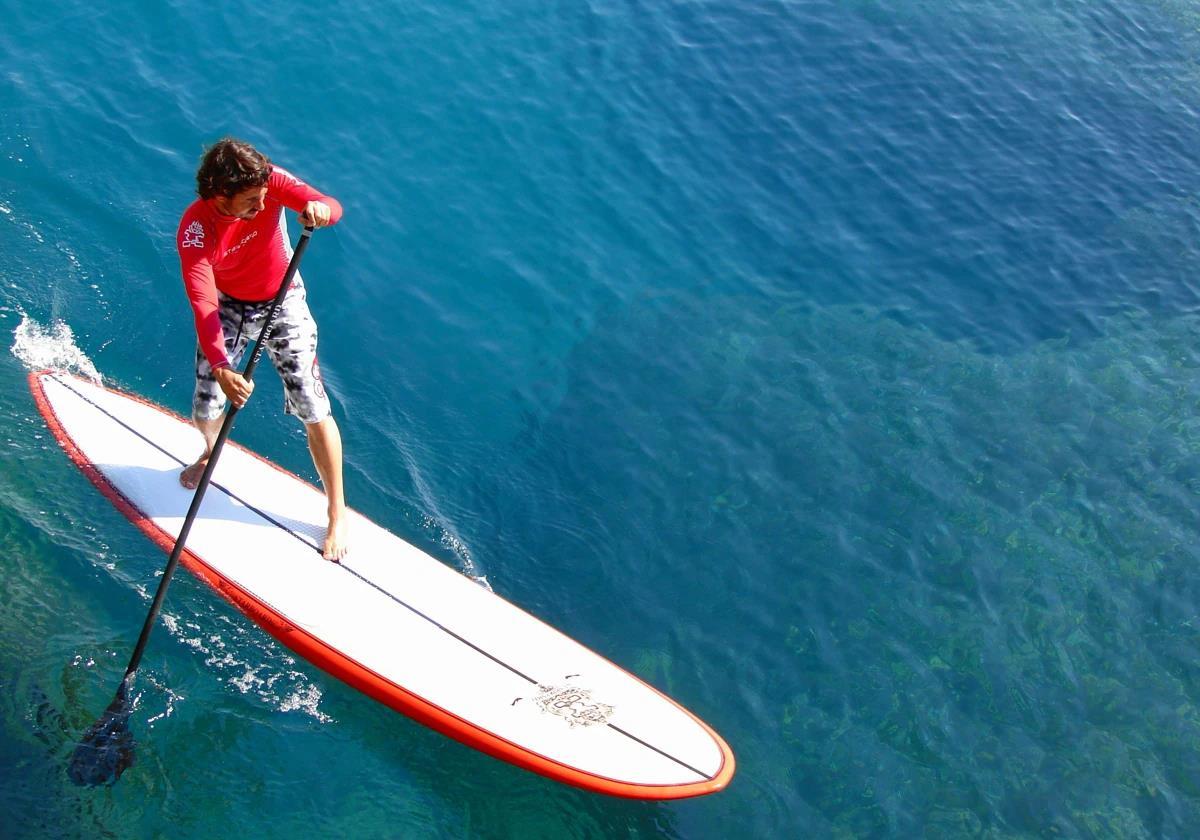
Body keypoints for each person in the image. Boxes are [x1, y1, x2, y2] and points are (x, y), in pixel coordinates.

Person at [175, 137, 348, 560]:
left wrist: (322, 210)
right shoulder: (196, 230)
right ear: (220, 196)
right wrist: (220, 366)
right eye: (250, 201)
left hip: (281, 299)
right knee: (204, 409)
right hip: (229, 305)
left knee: (312, 405)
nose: (262, 206)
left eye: (264, 197)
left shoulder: (267, 182)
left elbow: (329, 204)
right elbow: (203, 301)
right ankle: (211, 449)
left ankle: (337, 510)